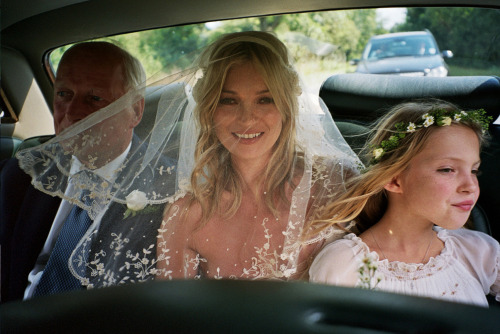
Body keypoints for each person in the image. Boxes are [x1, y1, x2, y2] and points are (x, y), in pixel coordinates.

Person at [151, 31, 362, 280]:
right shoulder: (188, 211)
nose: (247, 118)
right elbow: (175, 313)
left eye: (265, 100)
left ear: (286, 107)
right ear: (209, 111)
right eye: (229, 101)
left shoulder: (338, 184)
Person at [0, 41, 176, 302]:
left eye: (94, 98)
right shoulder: (20, 175)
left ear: (135, 111)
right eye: (63, 94)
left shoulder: (170, 187)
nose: (72, 112)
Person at [308, 99, 500, 307]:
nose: (470, 185)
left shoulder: (480, 252)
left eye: (474, 170)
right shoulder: (344, 265)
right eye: (447, 169)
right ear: (393, 180)